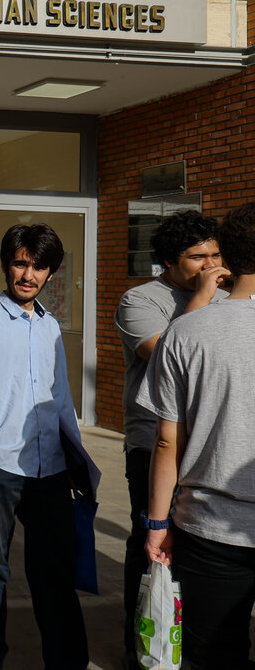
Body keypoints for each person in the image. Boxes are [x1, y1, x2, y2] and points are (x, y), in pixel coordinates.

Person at [0, 224, 89, 670]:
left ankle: (64, 660)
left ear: (51, 273)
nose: (28, 274)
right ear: (8, 265)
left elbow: (60, 396)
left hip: (50, 469)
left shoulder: (49, 326)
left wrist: (74, 455)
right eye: (21, 263)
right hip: (0, 466)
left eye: (38, 266)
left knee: (54, 572)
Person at [141, 202, 255, 669]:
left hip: (208, 525)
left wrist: (156, 523)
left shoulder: (186, 331)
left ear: (228, 255)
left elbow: (168, 440)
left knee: (212, 654)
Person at [114, 208, 227, 667]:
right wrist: (202, 298)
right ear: (168, 260)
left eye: (216, 254)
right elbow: (168, 358)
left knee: (199, 550)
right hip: (153, 443)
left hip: (209, 442)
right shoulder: (140, 300)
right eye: (198, 257)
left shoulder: (228, 298)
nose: (211, 265)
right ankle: (142, 647)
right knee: (152, 545)